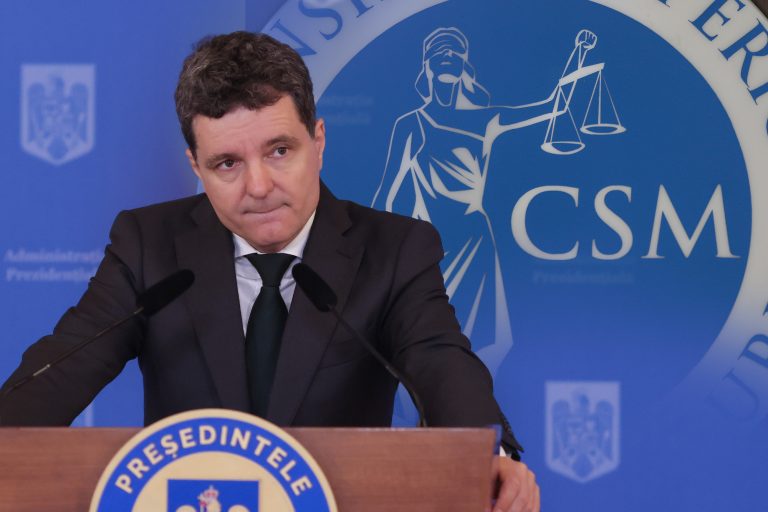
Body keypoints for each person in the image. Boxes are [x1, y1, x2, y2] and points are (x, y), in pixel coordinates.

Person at [0, 32, 539, 512]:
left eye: (280, 150)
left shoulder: (394, 249)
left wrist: (489, 455)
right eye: (227, 163)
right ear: (195, 165)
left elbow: (440, 361)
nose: (258, 187)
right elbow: (66, 364)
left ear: (318, 140)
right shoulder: (148, 244)